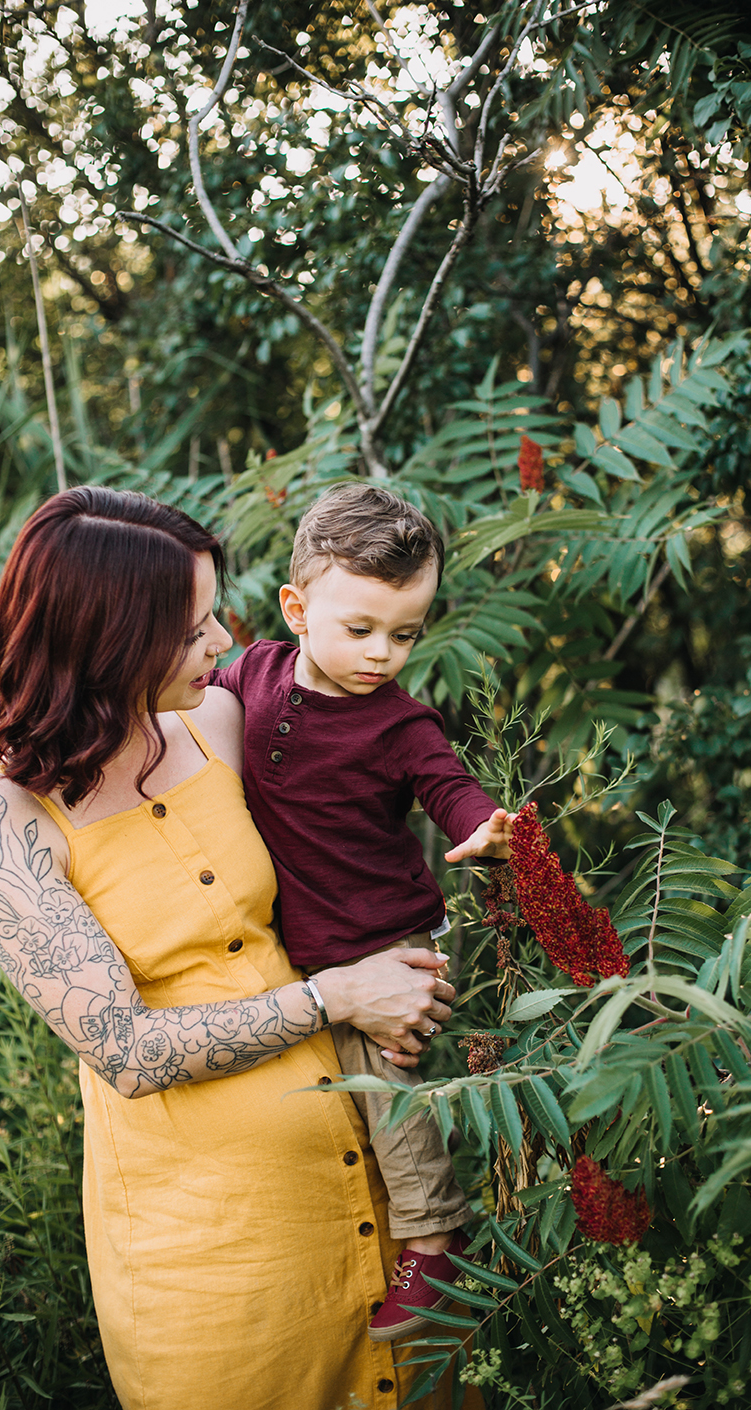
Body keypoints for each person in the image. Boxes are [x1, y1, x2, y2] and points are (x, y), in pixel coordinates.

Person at [0, 486, 476, 1410]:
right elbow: (127, 1050)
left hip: (375, 1195)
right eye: (193, 628)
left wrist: (420, 951)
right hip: (218, 1259)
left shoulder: (218, 724)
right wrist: (339, 997)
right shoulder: (0, 825)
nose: (223, 641)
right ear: (109, 638)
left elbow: (353, 831)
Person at [209, 482, 513, 1342]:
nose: (384, 653)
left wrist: (482, 828)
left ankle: (434, 1237)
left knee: (386, 1086)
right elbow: (193, 717)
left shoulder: (400, 724)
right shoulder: (253, 672)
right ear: (297, 609)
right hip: (304, 942)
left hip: (384, 940)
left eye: (406, 634)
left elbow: (448, 787)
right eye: (362, 629)